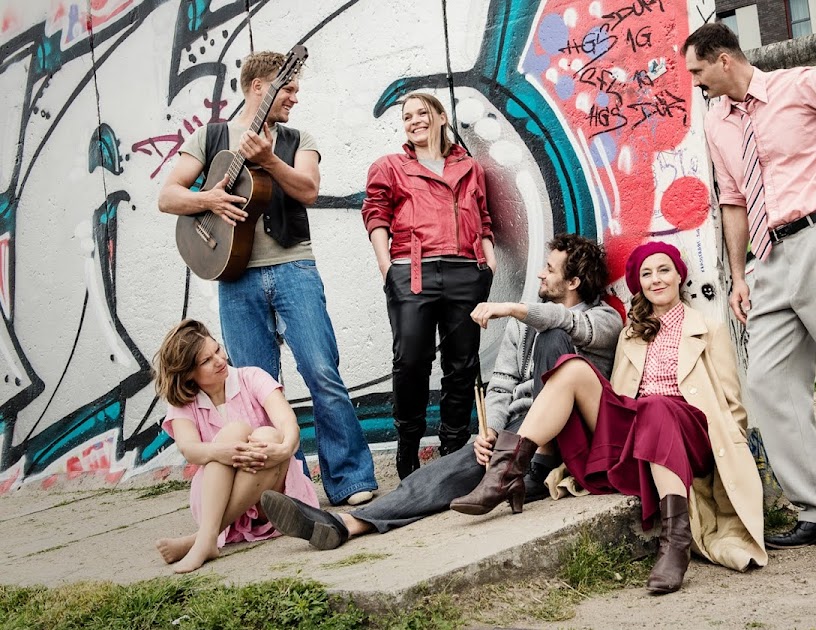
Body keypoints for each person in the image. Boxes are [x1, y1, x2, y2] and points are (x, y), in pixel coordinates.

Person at [682, 23, 816, 548]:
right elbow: (733, 200)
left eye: (698, 71)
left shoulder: (797, 84)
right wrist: (740, 275)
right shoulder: (716, 122)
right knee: (767, 385)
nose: (695, 82)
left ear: (724, 60)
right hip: (768, 260)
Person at [258, 234, 621, 548]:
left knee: (555, 337)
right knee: (448, 470)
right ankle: (348, 523)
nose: (541, 273)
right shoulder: (521, 327)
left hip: (563, 438)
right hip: (516, 438)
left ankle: (533, 462)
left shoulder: (604, 319)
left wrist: (512, 308)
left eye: (550, 269)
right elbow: (502, 383)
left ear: (573, 282)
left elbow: (566, 322)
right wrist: (490, 431)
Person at [451, 241, 767, 595]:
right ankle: (507, 472)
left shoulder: (709, 329)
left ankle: (675, 543)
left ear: (679, 276)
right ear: (639, 285)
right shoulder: (630, 334)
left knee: (657, 405)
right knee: (572, 368)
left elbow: (731, 405)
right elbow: (618, 394)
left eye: (664, 270)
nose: (656, 279)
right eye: (647, 274)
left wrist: (734, 453)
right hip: (640, 430)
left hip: (689, 431)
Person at [158, 51, 378, 507]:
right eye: (288, 89)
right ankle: (285, 491)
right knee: (253, 390)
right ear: (260, 87)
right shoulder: (211, 137)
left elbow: (309, 190)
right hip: (235, 277)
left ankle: (351, 479)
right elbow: (168, 196)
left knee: (322, 371)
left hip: (294, 267)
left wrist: (271, 162)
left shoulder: (298, 140)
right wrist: (209, 200)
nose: (295, 98)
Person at [360, 91, 498, 479]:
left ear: (440, 117)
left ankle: (453, 448)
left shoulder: (470, 167)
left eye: (422, 113)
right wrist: (387, 267)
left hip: (466, 271)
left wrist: (488, 262)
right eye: (407, 117)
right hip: (412, 272)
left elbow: (483, 217)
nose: (414, 121)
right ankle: (408, 446)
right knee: (411, 361)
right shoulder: (389, 166)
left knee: (462, 364)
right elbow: (375, 215)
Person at [151, 319, 320, 573]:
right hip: (216, 497)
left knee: (269, 436)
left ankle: (204, 538)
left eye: (217, 350)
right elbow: (189, 449)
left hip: (270, 498)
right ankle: (208, 536)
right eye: (206, 361)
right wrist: (224, 452)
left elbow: (287, 422)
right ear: (188, 374)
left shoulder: (251, 377)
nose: (220, 360)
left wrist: (285, 449)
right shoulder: (183, 404)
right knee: (234, 432)